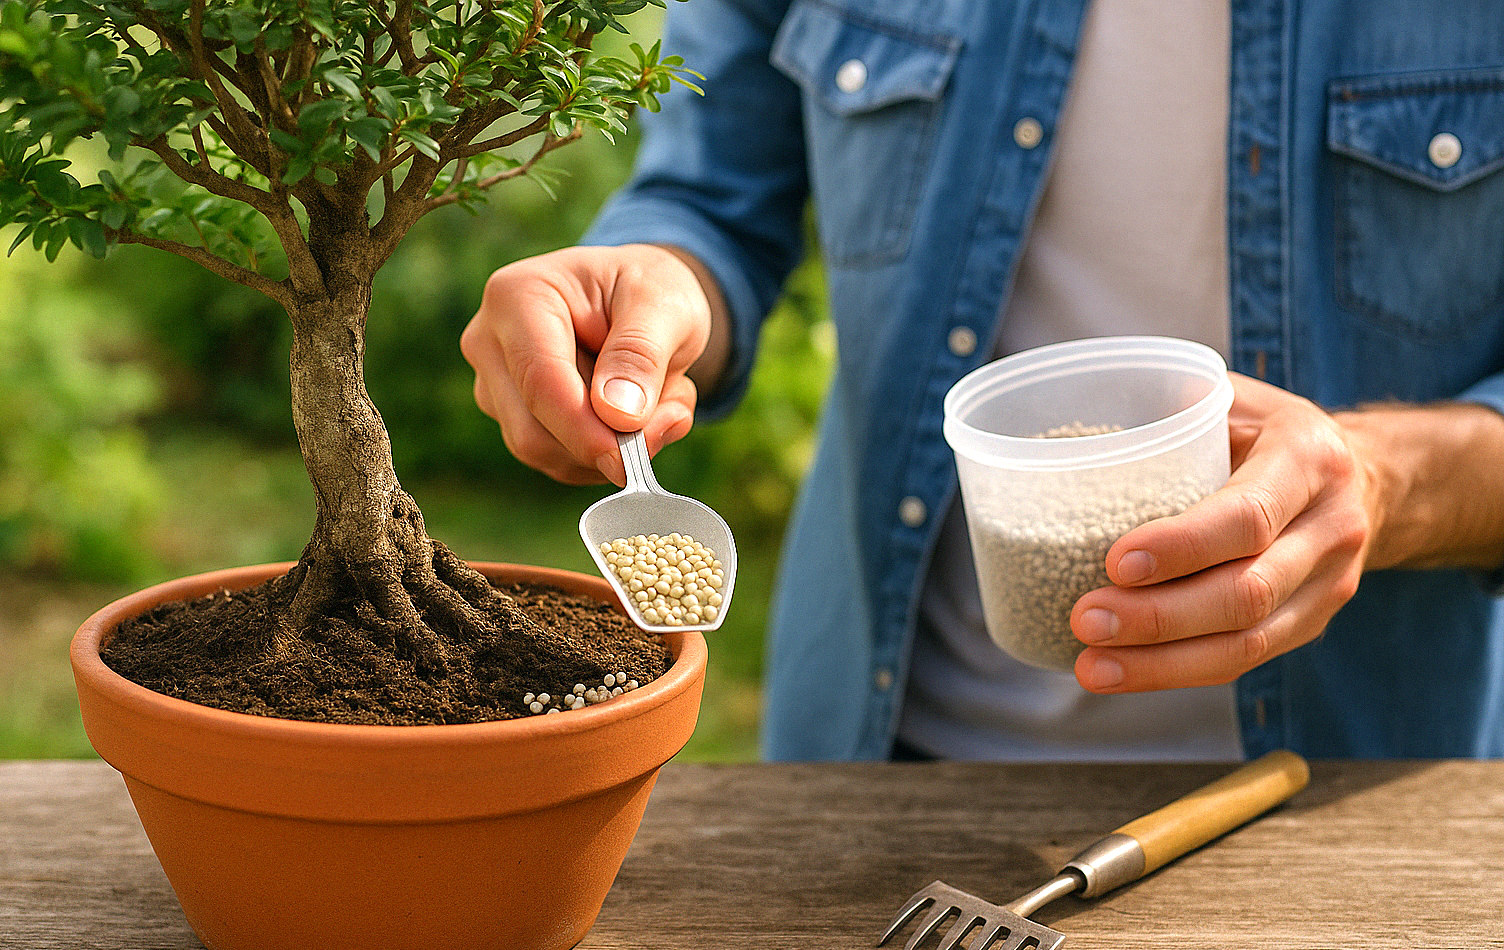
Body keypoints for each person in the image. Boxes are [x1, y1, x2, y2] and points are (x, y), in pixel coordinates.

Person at [461, 0, 1504, 761]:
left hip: (1352, 802)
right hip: (887, 777)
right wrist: (649, 288)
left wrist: (1388, 479)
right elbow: (709, 196)